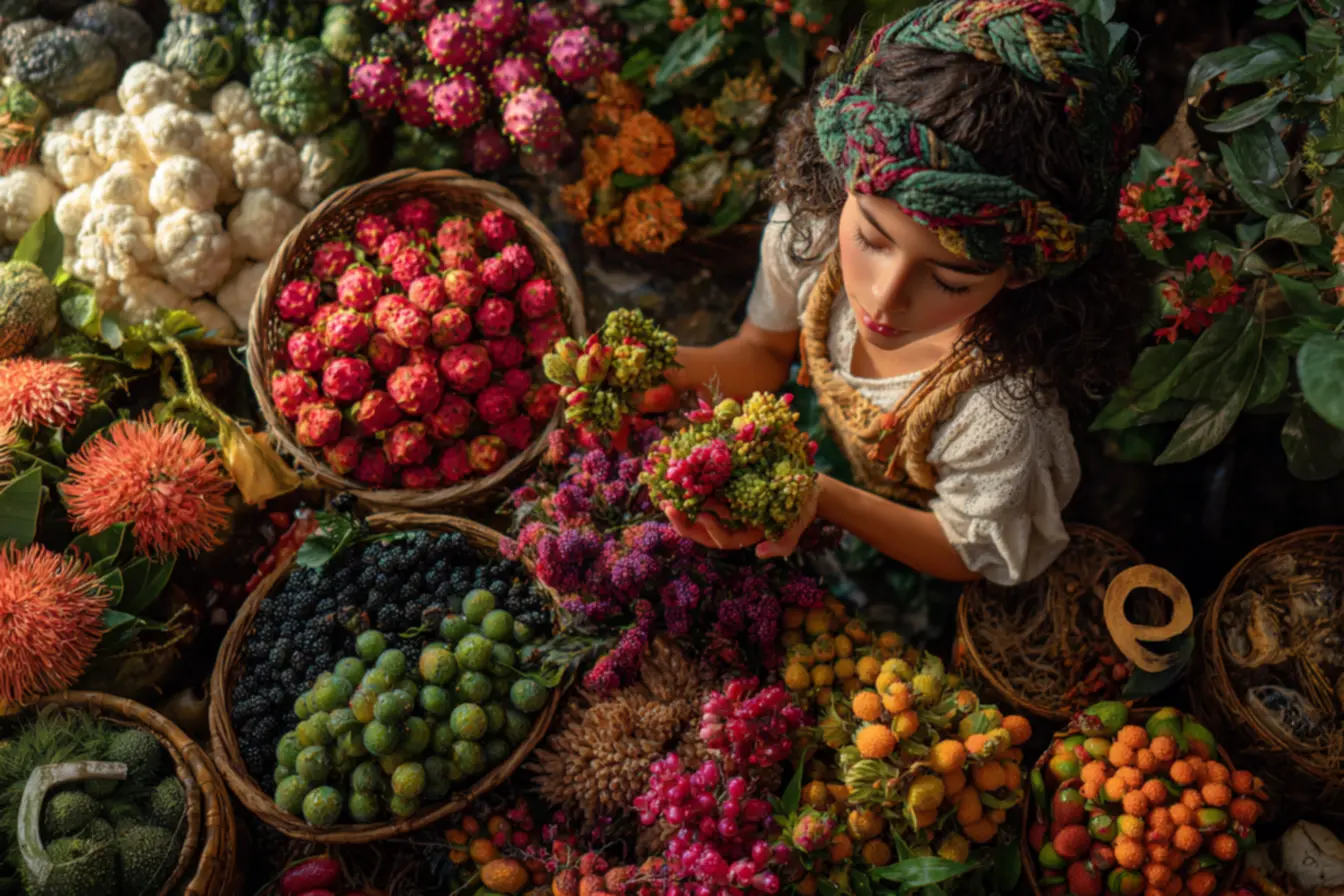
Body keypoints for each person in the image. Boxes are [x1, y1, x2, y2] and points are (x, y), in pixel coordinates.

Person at [652, 0, 1150, 594]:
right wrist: (660, 368)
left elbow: (968, 550)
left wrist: (820, 496)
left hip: (900, 556)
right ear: (842, 183)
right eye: (869, 237)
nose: (883, 300)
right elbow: (763, 351)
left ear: (1022, 273)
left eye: (949, 281)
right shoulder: (810, 231)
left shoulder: (1001, 415)